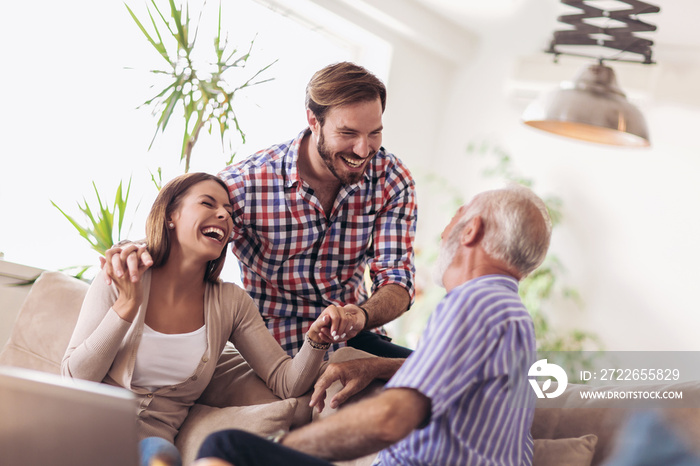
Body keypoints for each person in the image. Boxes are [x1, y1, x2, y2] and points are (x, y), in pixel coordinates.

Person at [192, 183, 553, 466]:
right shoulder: (514, 317)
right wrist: (380, 365)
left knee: (227, 446)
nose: (444, 234)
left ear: (471, 229)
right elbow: (461, 378)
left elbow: (390, 419)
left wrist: (281, 447)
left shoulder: (473, 303)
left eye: (455, 218)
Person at [107, 61, 417, 358]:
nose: (363, 150)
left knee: (436, 384)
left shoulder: (391, 179)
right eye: (348, 133)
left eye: (374, 133)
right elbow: (185, 239)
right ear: (313, 121)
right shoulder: (245, 185)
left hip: (354, 336)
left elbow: (397, 279)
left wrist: (359, 316)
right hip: (272, 347)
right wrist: (137, 251)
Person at [61, 173, 352, 466]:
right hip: (87, 432)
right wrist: (127, 305)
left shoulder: (230, 303)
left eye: (228, 210)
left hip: (152, 451)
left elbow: (285, 381)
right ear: (171, 214)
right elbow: (74, 377)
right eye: (208, 203)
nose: (224, 214)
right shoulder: (125, 269)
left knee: (161, 456)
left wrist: (317, 339)